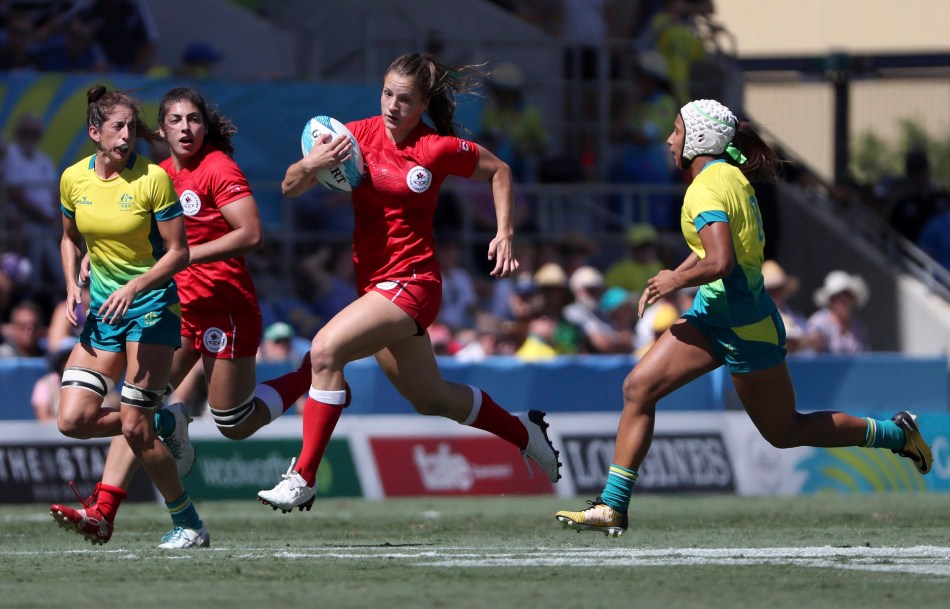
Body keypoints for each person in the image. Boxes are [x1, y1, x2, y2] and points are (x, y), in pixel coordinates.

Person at [554, 98, 933, 537]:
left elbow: (720, 261)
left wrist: (674, 283)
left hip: (745, 327)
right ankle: (612, 506)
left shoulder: (705, 188)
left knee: (784, 430)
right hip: (717, 312)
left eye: (676, 131)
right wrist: (675, 275)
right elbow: (713, 256)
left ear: (697, 138)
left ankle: (895, 434)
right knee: (638, 387)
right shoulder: (728, 174)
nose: (669, 139)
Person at [257, 52, 562, 513]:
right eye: (387, 93)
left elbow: (500, 170)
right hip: (375, 286)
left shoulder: (435, 148)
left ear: (423, 105)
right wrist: (312, 162)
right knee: (431, 397)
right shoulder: (352, 136)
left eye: (405, 99)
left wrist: (505, 231)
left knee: (324, 350)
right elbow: (288, 187)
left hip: (415, 282)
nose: (392, 105)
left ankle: (303, 476)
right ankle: (525, 432)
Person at [51, 86, 314, 541]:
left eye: (194, 119)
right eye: (175, 120)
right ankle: (105, 508)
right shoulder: (159, 172)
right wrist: (97, 255)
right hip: (173, 309)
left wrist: (187, 257)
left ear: (204, 125)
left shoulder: (217, 167)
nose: (186, 128)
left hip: (223, 308)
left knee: (232, 422)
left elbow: (251, 234)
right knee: (137, 411)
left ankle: (311, 374)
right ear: (162, 129)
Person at [48, 85, 209, 549]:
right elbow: (68, 238)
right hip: (102, 314)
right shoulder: (73, 179)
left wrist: (136, 285)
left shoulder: (152, 179)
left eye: (130, 128)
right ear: (94, 132)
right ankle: (163, 423)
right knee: (73, 421)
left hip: (152, 309)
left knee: (134, 426)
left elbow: (179, 253)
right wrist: (71, 284)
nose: (125, 137)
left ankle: (189, 524)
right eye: (116, 128)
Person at [806, 270, 870, 354]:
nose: (842, 300)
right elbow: (811, 345)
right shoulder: (819, 322)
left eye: (846, 294)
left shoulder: (859, 326)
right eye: (836, 296)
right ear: (829, 301)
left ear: (853, 298)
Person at [761, 259, 811, 354]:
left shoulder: (798, 318)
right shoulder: (754, 318)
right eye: (770, 290)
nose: (775, 294)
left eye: (778, 288)